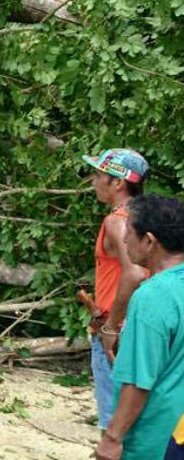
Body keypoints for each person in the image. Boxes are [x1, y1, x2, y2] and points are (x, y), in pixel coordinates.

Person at [93, 195, 184, 460]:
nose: (123, 240)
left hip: (156, 437)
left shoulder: (152, 296)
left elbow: (138, 381)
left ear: (149, 241)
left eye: (129, 233)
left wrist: (112, 438)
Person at [82, 148, 150, 431]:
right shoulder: (150, 218)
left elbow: (135, 273)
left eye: (99, 175)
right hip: (145, 328)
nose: (94, 181)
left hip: (119, 332)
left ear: (118, 182)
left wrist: (110, 328)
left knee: (115, 427)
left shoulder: (117, 221)